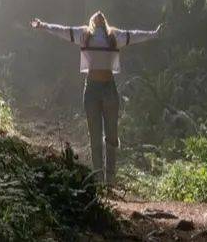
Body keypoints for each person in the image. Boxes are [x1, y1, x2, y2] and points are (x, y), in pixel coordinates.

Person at [32, 10, 161, 187]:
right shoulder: (85, 35)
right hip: (93, 89)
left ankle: (110, 180)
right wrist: (44, 26)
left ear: (104, 22)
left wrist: (154, 34)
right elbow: (63, 31)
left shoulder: (113, 36)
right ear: (94, 22)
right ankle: (99, 179)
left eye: (101, 16)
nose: (99, 15)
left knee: (112, 136)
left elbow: (135, 36)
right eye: (97, 16)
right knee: (95, 136)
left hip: (108, 88)